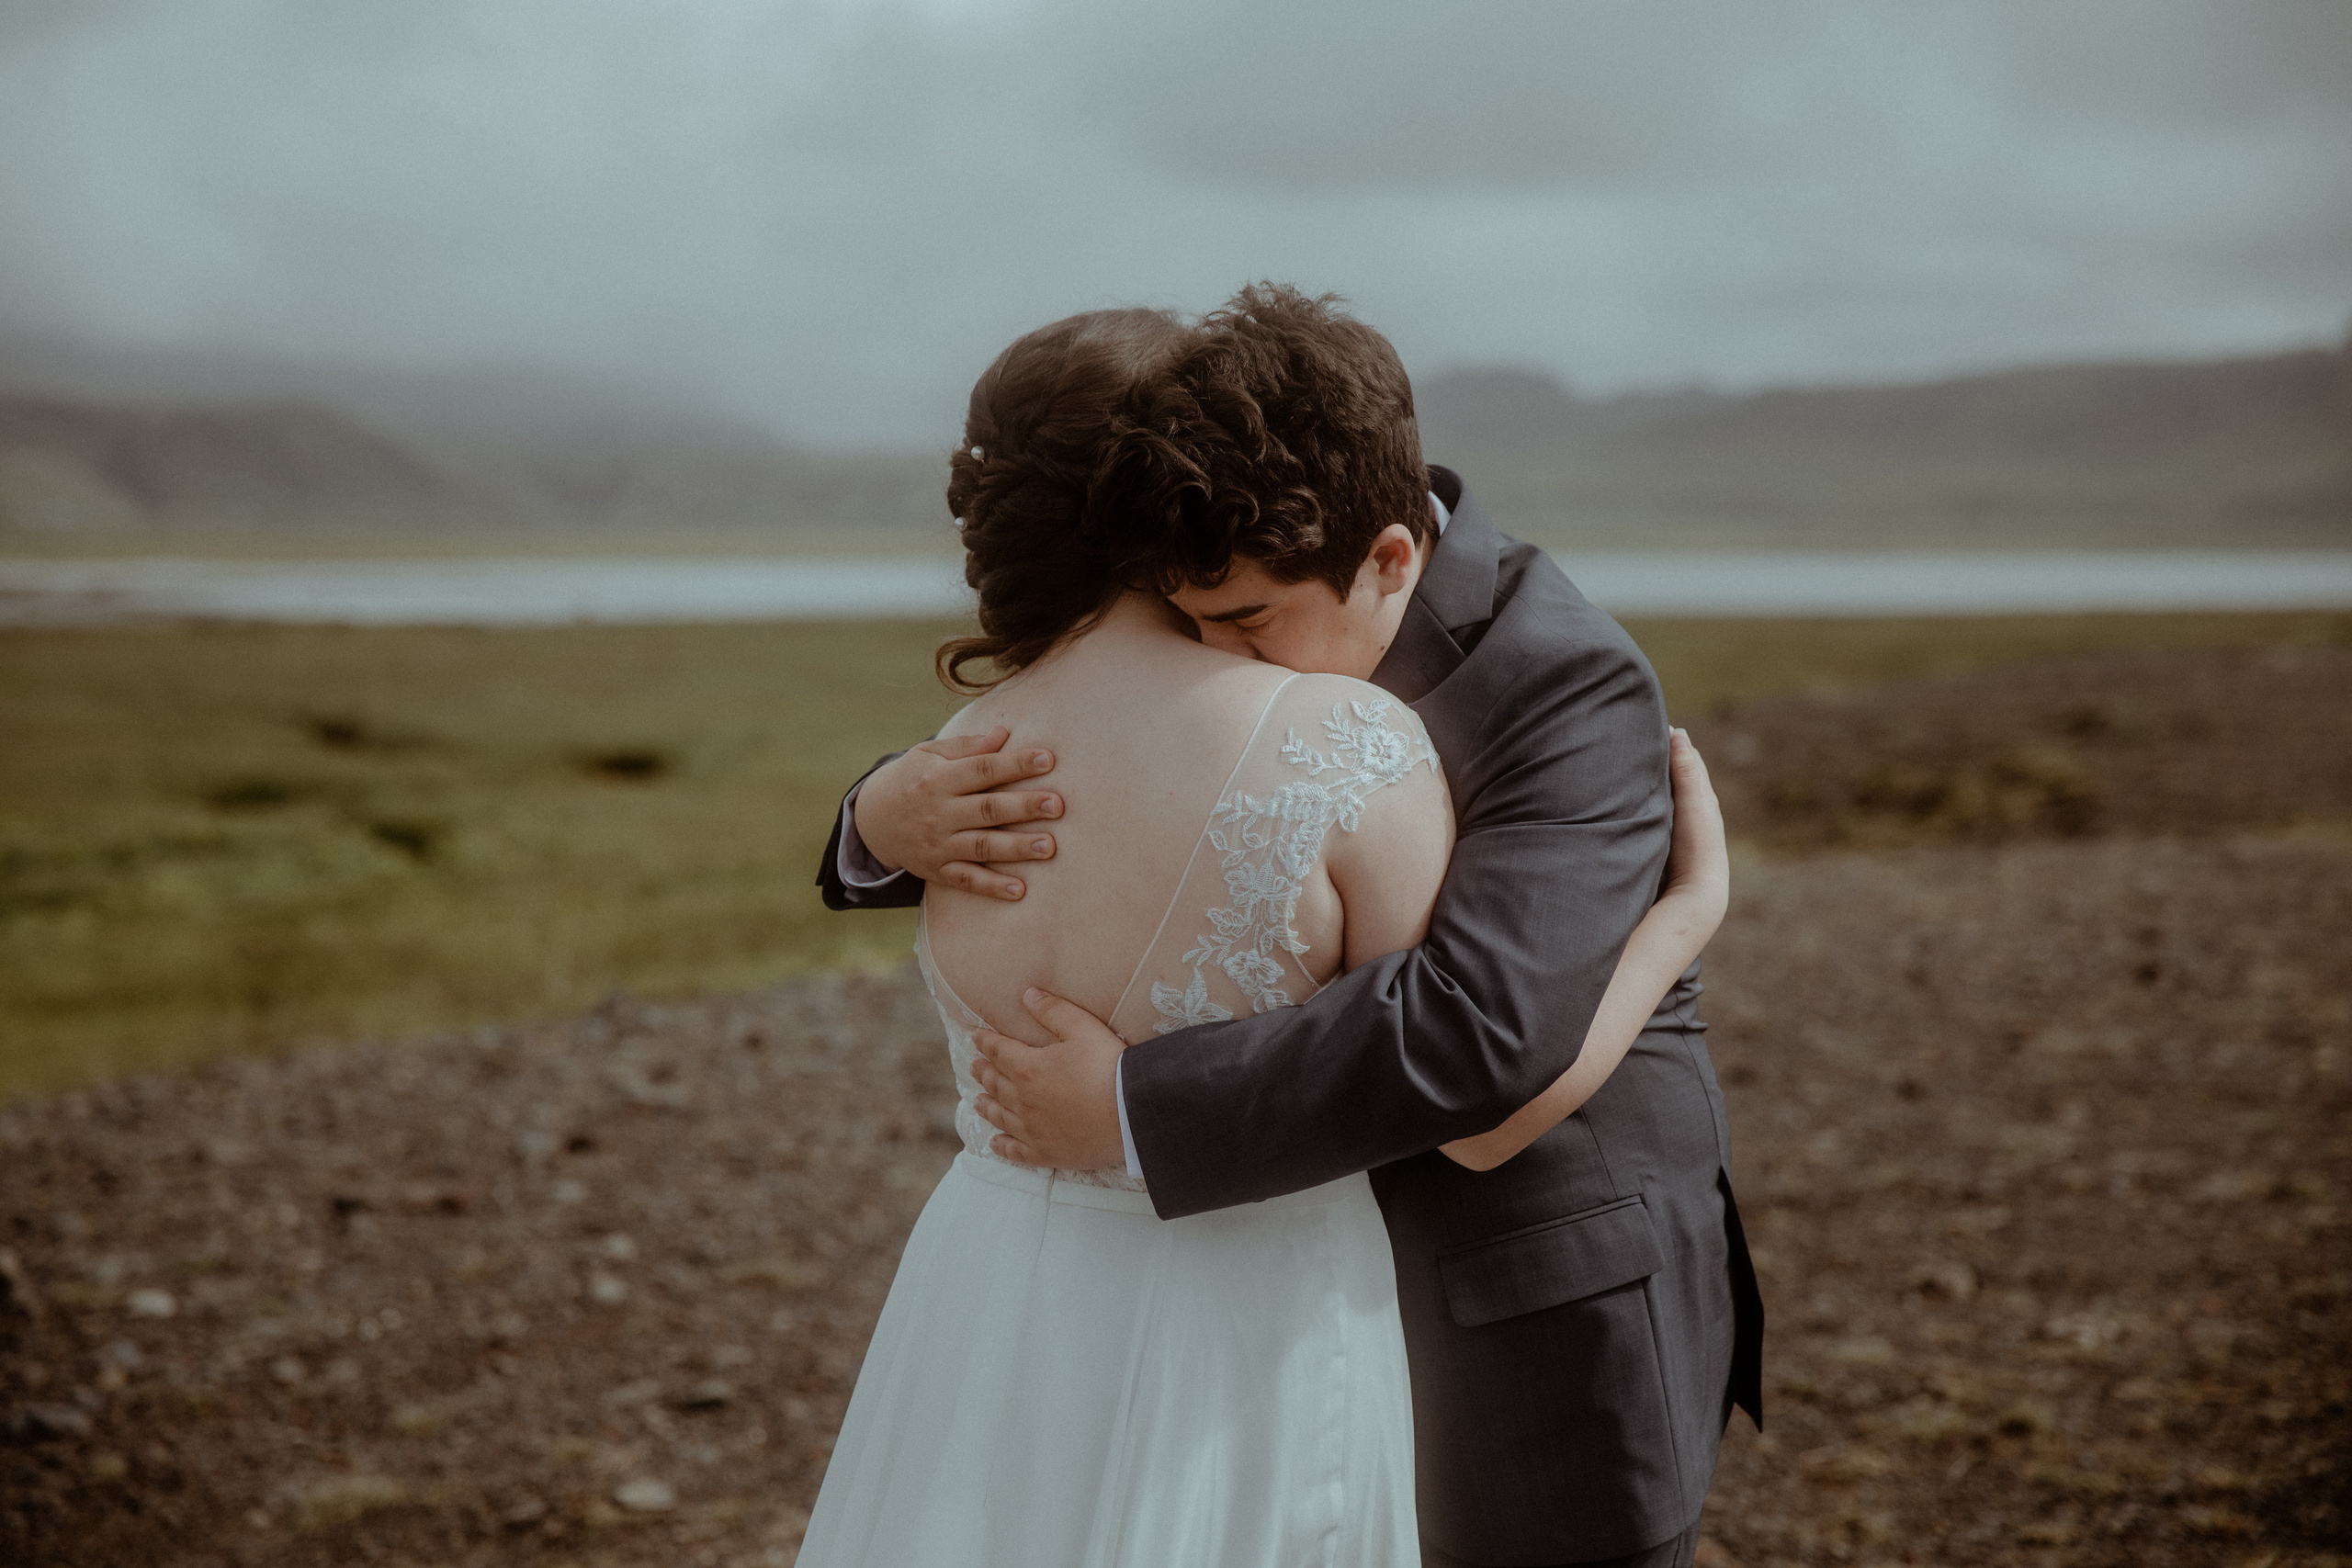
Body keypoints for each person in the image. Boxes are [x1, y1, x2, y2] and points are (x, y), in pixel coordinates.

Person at [823, 285, 1764, 1568]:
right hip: (1292, 1284)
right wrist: (875, 820)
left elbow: (1481, 1033)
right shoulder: (1269, 566)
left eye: (1246, 622)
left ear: (1387, 558)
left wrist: (1134, 1109)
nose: (1221, 658)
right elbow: (1106, 776)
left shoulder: (1563, 679)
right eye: (1189, 620)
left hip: (1541, 1288)